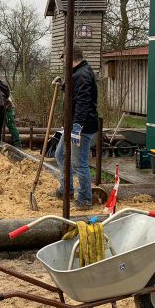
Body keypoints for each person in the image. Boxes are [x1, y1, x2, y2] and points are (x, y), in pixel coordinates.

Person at [55, 45, 99, 209]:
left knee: (80, 164)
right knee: (61, 155)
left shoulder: (82, 74)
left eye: (63, 58)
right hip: (72, 124)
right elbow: (74, 93)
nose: (62, 61)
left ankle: (85, 199)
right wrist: (63, 85)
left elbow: (83, 102)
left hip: (81, 127)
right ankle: (66, 190)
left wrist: (77, 126)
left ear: (69, 57)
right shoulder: (77, 73)